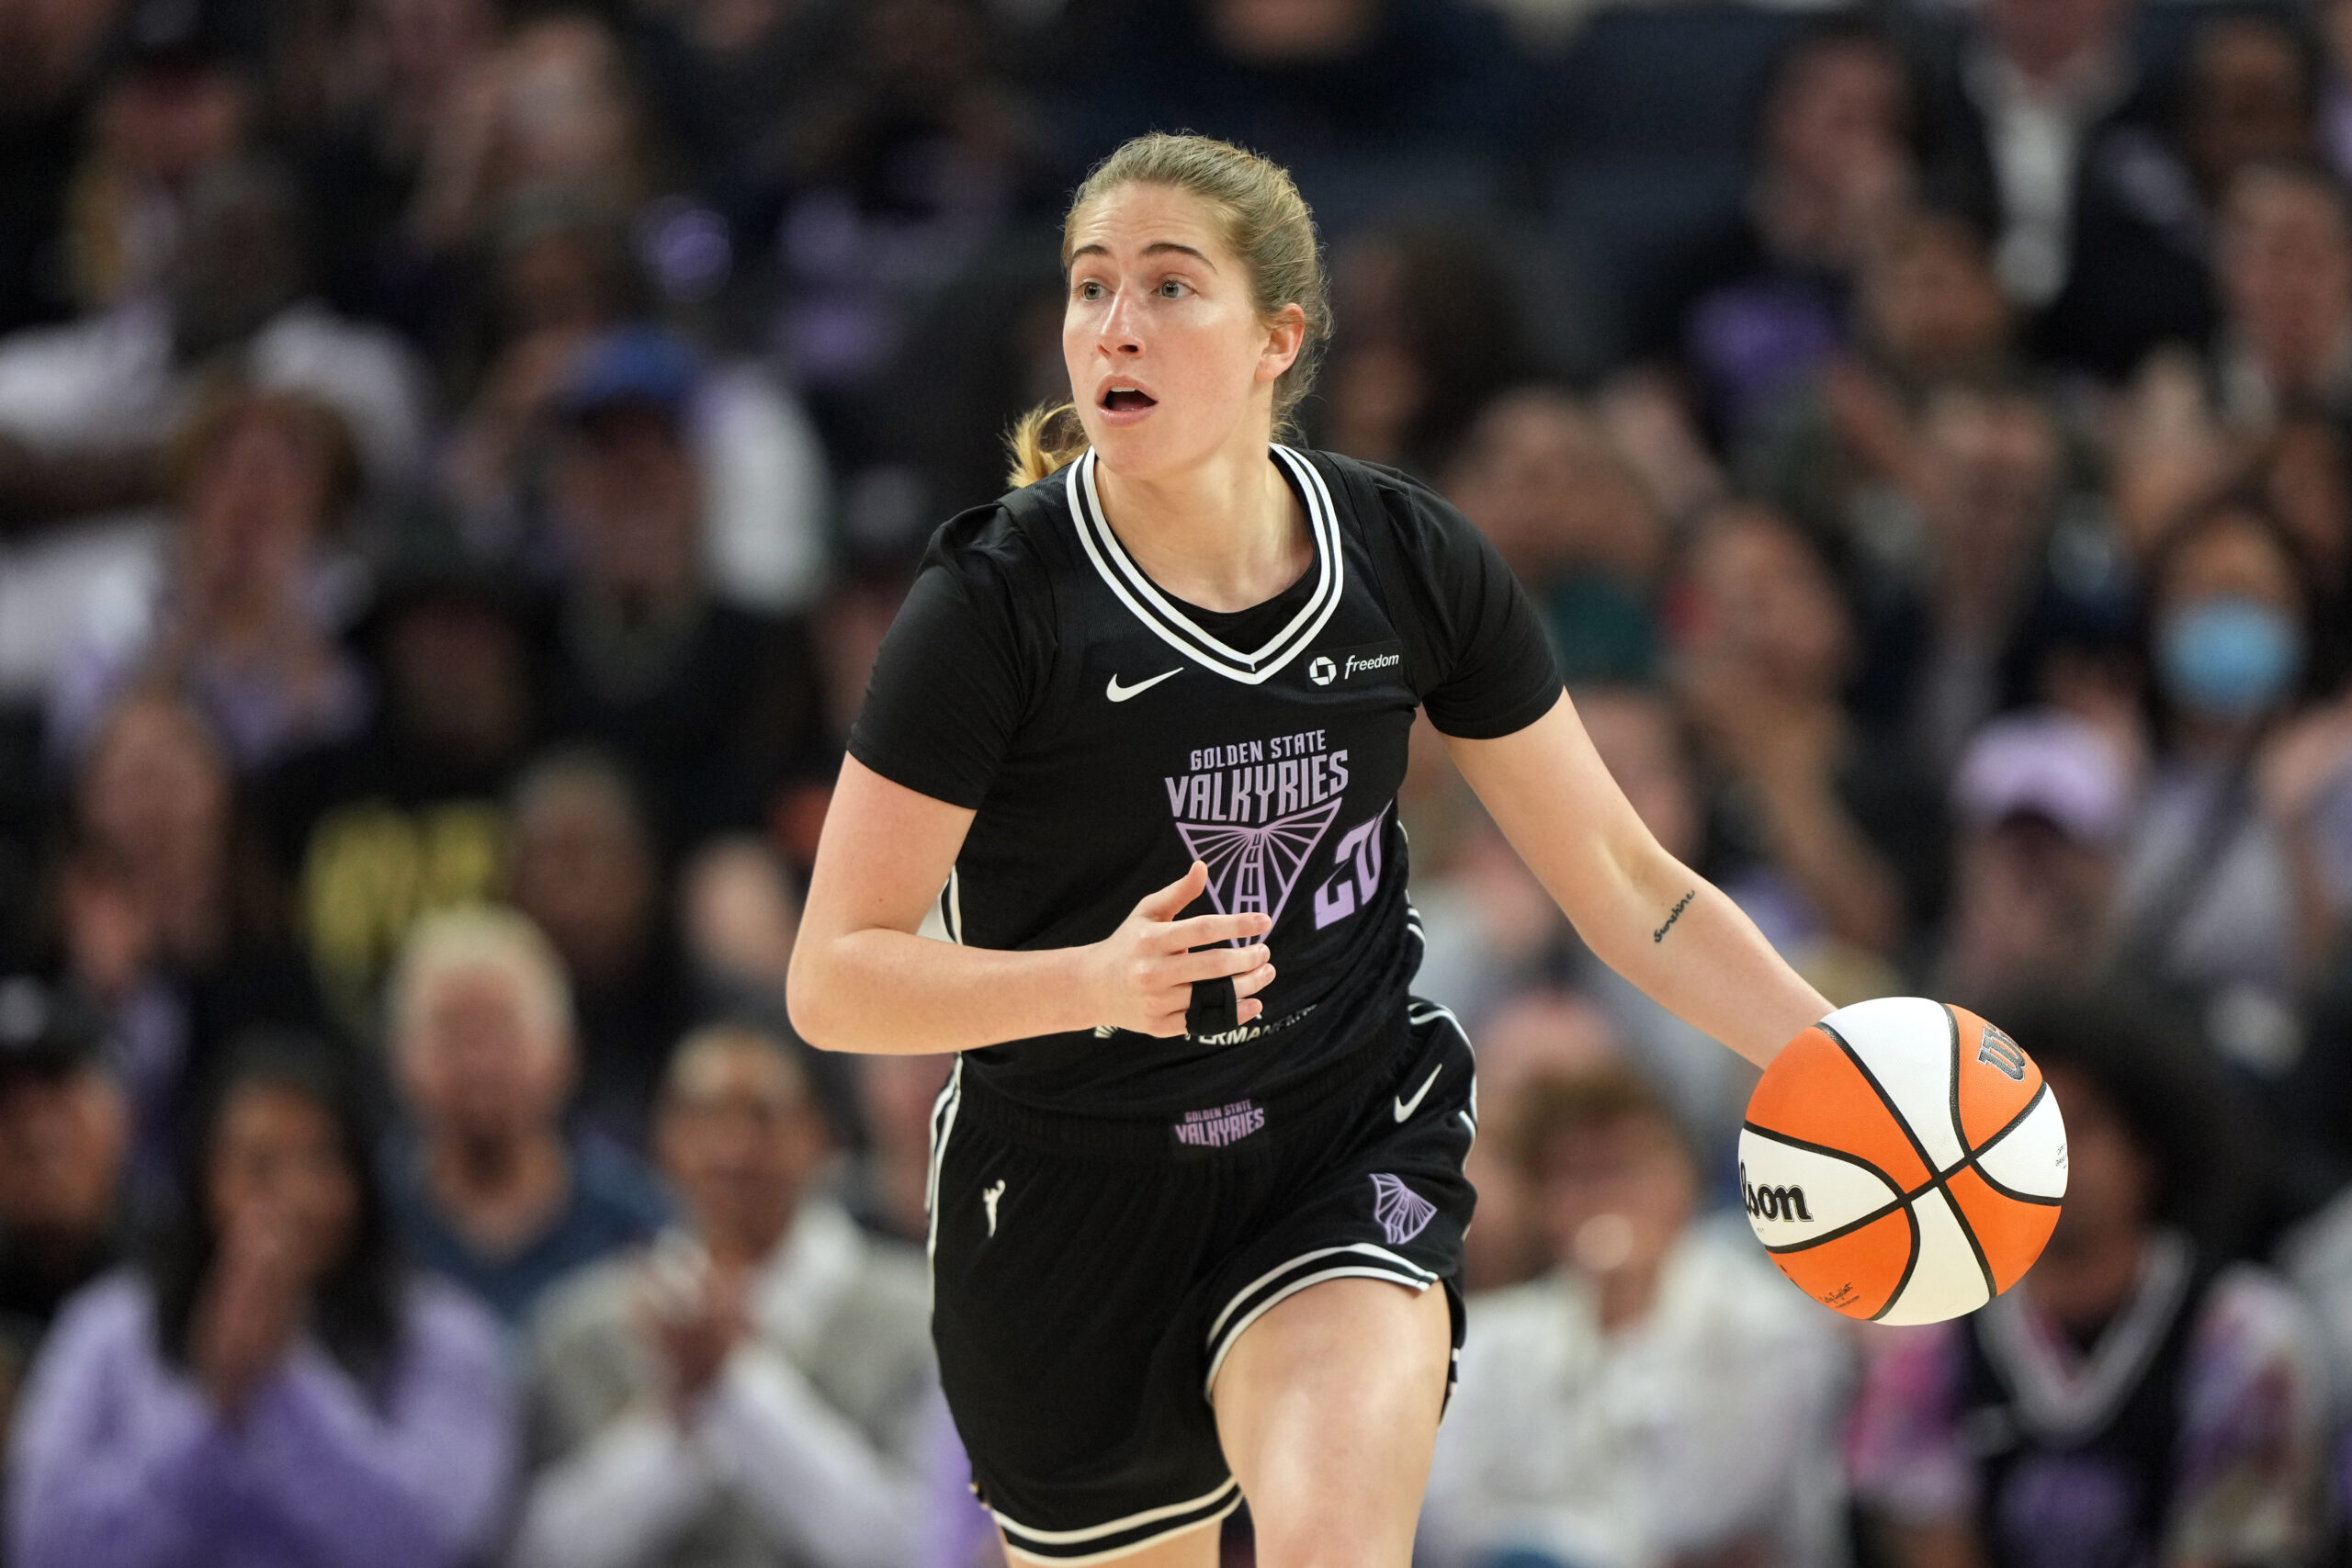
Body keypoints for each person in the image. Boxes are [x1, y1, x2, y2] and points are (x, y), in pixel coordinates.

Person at [786, 132, 1834, 1568]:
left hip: (1335, 1143)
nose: (1117, 326)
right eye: (1092, 290)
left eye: (1170, 286)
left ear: (1279, 336)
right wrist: (1094, 978)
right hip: (1069, 1196)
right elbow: (834, 979)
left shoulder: (1409, 558)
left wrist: (1835, 1050)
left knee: (1334, 1537)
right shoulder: (991, 605)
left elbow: (1629, 880)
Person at [1849, 990, 2327, 1568]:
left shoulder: (2245, 1338)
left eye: (2079, 1126)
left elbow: (2228, 1548)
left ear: (2148, 1153)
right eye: (2011, 1129)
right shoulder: (1928, 1342)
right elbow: (1929, 1544)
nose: (2045, 1154)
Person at [6, 1033, 515, 1568]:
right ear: (203, 1180)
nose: (294, 1198)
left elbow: (430, 1542)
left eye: (321, 1161)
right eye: (259, 1166)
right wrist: (213, 1416)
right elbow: (43, 1542)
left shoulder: (444, 1332)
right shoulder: (109, 1328)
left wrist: (285, 1381)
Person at [512, 1022, 937, 1568]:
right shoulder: (582, 1330)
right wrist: (676, 1424)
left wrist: (736, 1387)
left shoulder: (918, 1316)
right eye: (703, 1116)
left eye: (763, 1116)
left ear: (822, 1136)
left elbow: (915, 1548)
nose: (733, 1148)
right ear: (663, 1141)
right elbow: (541, 1552)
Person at [1421, 1066, 1849, 1568]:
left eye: (1627, 1168)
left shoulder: (1774, 1327)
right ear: (1541, 1203)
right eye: (1576, 1177)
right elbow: (1450, 1524)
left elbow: (1707, 1514)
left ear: (1685, 1174)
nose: (1607, 1197)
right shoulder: (1490, 1342)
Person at [383, 903, 669, 1325]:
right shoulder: (368, 1222)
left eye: (500, 1029)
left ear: (565, 1052)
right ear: (400, 1059)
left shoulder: (638, 1226)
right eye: (452, 1032)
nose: (478, 1063)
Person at [0, 976, 130, 1443]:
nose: (35, 1134)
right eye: (6, 1105)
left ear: (119, 1116)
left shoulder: (176, 1281)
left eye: (59, 1093)